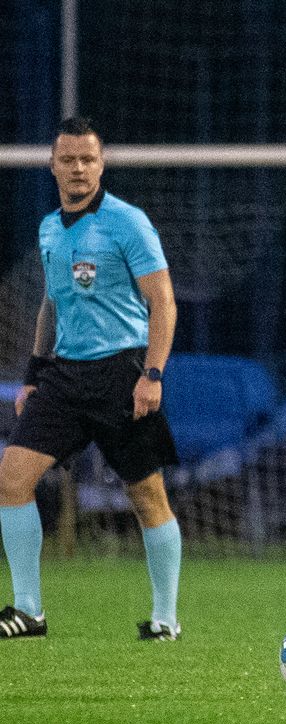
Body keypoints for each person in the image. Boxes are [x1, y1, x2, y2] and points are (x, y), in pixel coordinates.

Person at [0, 117, 183, 641]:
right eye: (68, 159)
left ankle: (166, 620)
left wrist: (153, 373)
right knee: (12, 480)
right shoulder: (49, 227)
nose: (78, 168)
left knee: (147, 496)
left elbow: (163, 300)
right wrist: (35, 372)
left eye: (88, 159)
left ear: (100, 165)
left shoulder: (129, 222)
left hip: (122, 375)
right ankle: (29, 610)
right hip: (63, 378)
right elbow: (51, 304)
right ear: (52, 165)